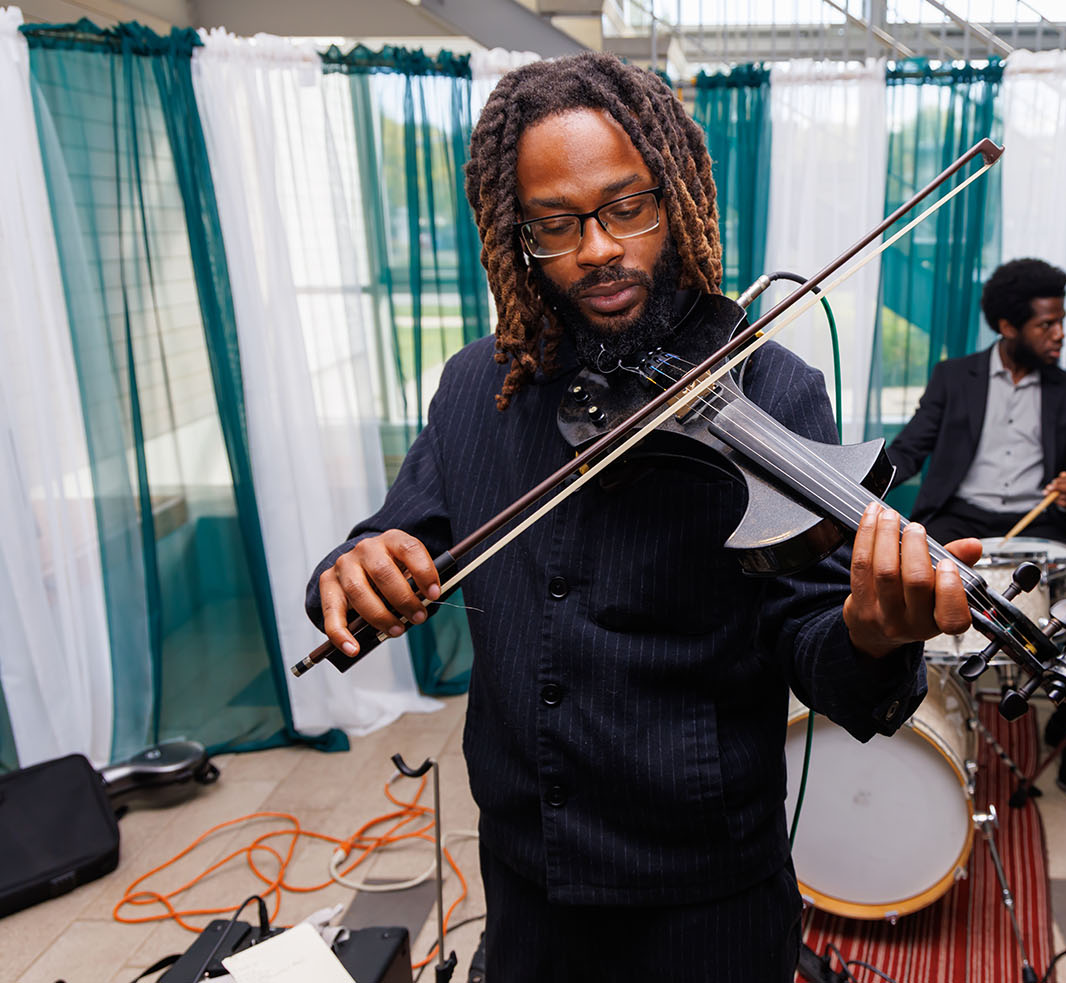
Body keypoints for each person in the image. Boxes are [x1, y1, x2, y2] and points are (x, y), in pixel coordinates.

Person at [304, 53, 981, 982]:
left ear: (678, 195)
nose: (596, 248)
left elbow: (817, 646)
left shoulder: (772, 390)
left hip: (702, 889)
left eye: (627, 207)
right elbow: (403, 532)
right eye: (554, 224)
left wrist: (870, 631)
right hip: (524, 867)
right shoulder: (478, 388)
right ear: (518, 236)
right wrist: (354, 563)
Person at [885, 257, 1066, 809]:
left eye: (1061, 321)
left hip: (1039, 521)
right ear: (1009, 328)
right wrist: (856, 488)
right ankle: (903, 723)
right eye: (1046, 325)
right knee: (907, 596)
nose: (1059, 334)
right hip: (961, 515)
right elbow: (912, 448)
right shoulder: (952, 377)